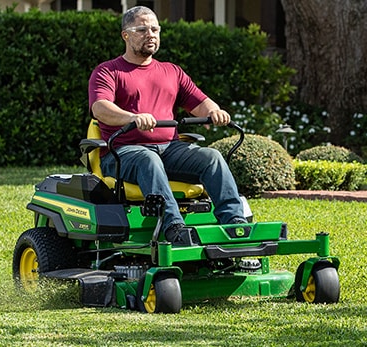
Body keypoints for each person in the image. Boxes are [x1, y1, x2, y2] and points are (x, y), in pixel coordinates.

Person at [87, 6, 248, 246]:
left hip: (169, 150)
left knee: (212, 157)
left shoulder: (171, 71)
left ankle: (235, 223)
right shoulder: (108, 71)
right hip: (122, 154)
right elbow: (100, 108)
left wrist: (215, 112)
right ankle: (174, 228)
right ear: (126, 35)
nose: (150, 34)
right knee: (147, 159)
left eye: (154, 29)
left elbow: (200, 102)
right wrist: (132, 117)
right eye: (142, 29)